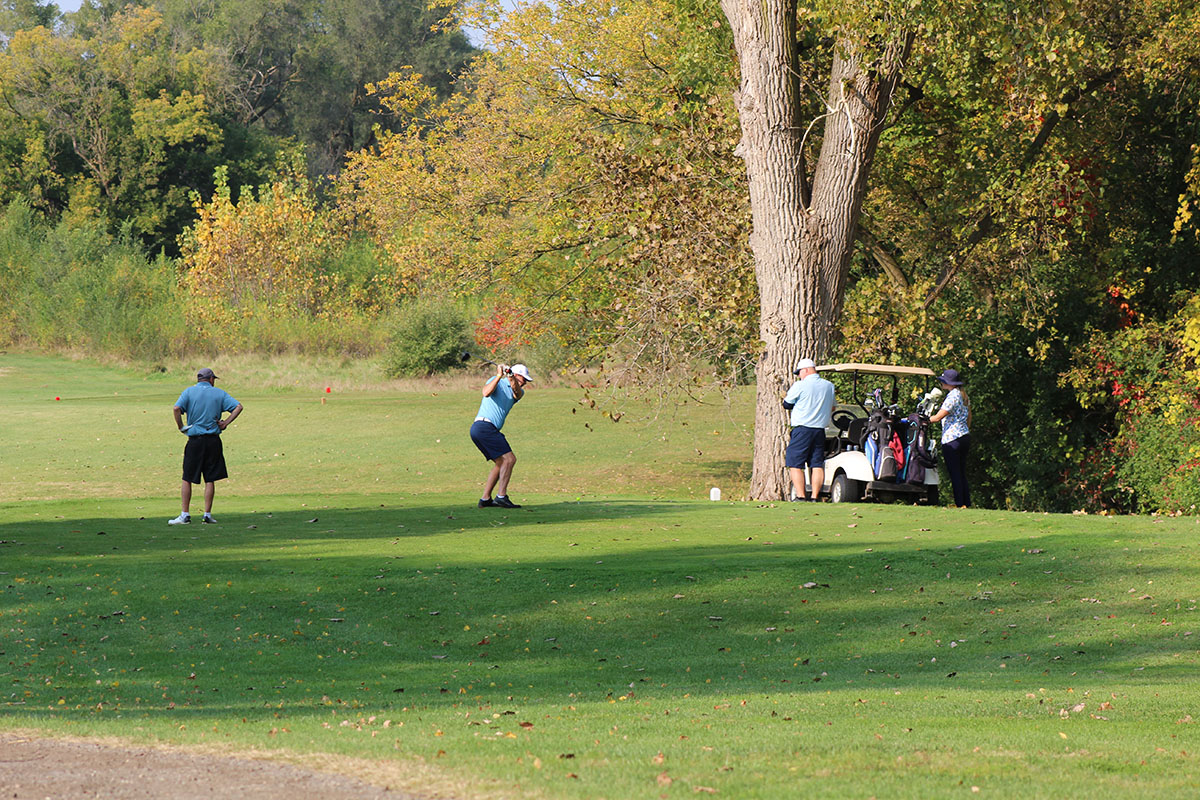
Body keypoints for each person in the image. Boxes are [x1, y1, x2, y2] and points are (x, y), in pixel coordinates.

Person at [169, 368, 243, 524]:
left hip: (195, 440)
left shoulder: (189, 392)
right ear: (210, 379)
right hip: (213, 441)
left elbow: (176, 408)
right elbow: (238, 407)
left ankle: (185, 514)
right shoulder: (219, 393)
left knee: (187, 477)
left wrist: (181, 426)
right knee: (210, 478)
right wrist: (225, 423)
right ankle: (207, 514)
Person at [470, 363, 533, 508]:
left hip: (484, 429)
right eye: (523, 379)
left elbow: (516, 391)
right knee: (510, 459)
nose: (524, 383)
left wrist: (510, 376)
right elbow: (486, 393)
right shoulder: (496, 381)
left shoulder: (518, 392)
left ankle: (485, 499)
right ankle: (501, 496)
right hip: (483, 427)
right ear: (517, 375)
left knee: (501, 463)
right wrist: (499, 375)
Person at [782, 358, 836, 501]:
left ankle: (800, 496)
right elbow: (833, 407)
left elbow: (786, 404)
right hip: (819, 430)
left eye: (799, 372)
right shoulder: (829, 386)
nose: (799, 375)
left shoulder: (800, 385)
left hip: (802, 429)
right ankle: (814, 496)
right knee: (816, 464)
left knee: (795, 464)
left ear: (805, 370)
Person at [929, 368, 970, 507]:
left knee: (955, 474)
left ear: (949, 383)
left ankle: (960, 504)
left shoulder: (952, 396)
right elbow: (969, 416)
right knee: (962, 472)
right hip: (964, 436)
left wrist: (922, 419)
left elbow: (938, 417)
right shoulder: (963, 395)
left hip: (952, 439)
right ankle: (966, 503)